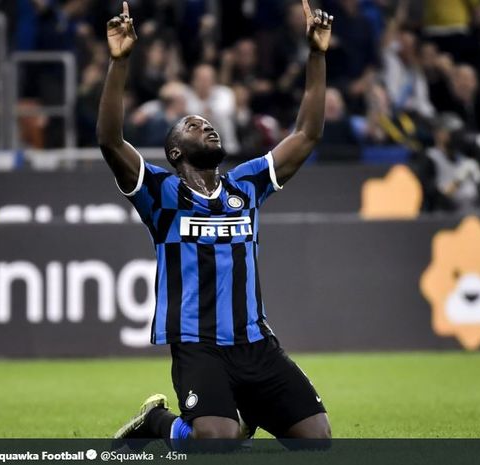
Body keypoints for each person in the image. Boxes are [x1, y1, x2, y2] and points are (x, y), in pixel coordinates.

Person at [97, 0, 332, 441]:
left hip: (255, 343)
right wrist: (118, 64)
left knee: (317, 439)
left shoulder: (246, 185)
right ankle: (160, 423)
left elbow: (307, 134)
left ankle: (242, 406)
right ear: (175, 152)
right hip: (198, 347)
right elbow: (110, 141)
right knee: (219, 443)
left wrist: (316, 56)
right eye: (192, 124)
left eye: (208, 122)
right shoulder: (161, 194)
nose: (206, 126)